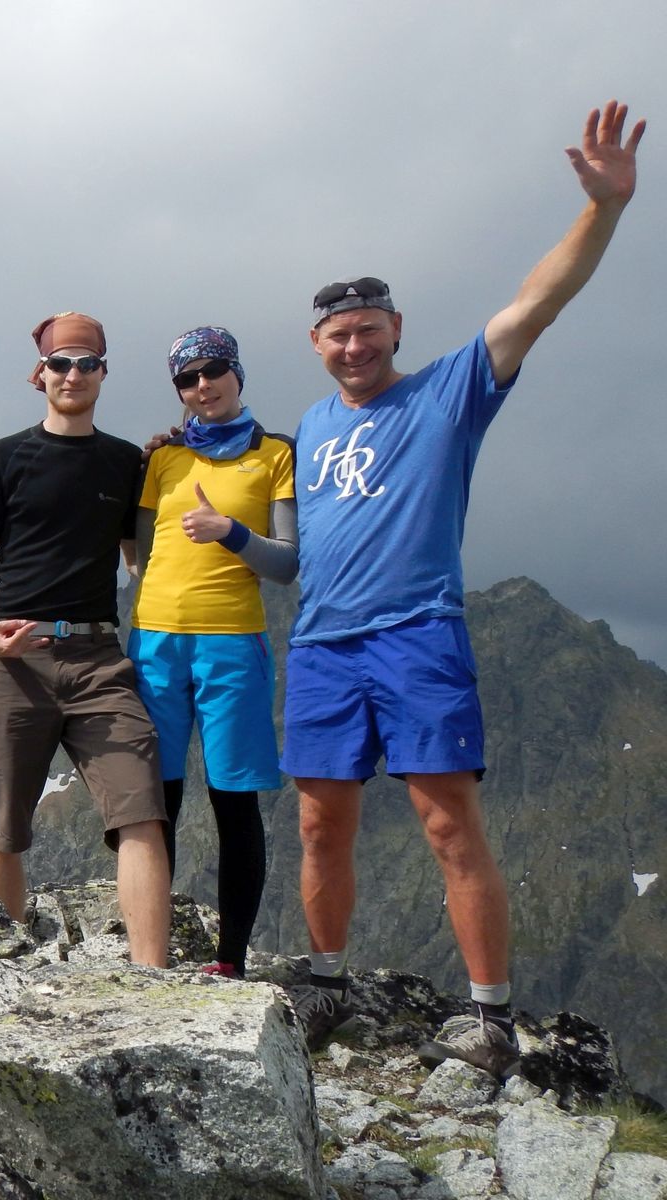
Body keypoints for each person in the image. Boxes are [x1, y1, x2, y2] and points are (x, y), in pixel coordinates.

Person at [284, 101, 645, 1077]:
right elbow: (300, 545)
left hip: (416, 637)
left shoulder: (449, 388)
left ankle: (488, 1017)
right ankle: (322, 981)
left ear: (394, 328)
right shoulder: (311, 428)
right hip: (321, 646)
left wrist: (603, 210)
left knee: (447, 821)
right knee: (319, 819)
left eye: (367, 330)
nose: (353, 346)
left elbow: (536, 301)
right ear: (315, 342)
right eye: (336, 334)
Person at [0, 311, 170, 966]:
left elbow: (142, 558)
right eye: (61, 363)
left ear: (104, 373)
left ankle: (152, 979)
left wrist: (179, 466)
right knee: (5, 827)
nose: (73, 374)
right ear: (39, 375)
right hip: (14, 659)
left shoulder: (125, 462)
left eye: (86, 363)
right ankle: (7, 973)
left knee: (140, 810)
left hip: (97, 657)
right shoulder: (3, 459)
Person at [129, 326, 297, 978]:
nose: (203, 386)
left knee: (233, 800)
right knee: (156, 801)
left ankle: (230, 962)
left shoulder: (275, 452)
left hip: (232, 644)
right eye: (188, 378)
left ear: (238, 372)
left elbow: (287, 564)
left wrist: (229, 532)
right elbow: (135, 551)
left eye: (215, 370)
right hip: (156, 641)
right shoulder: (163, 459)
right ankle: (154, 952)